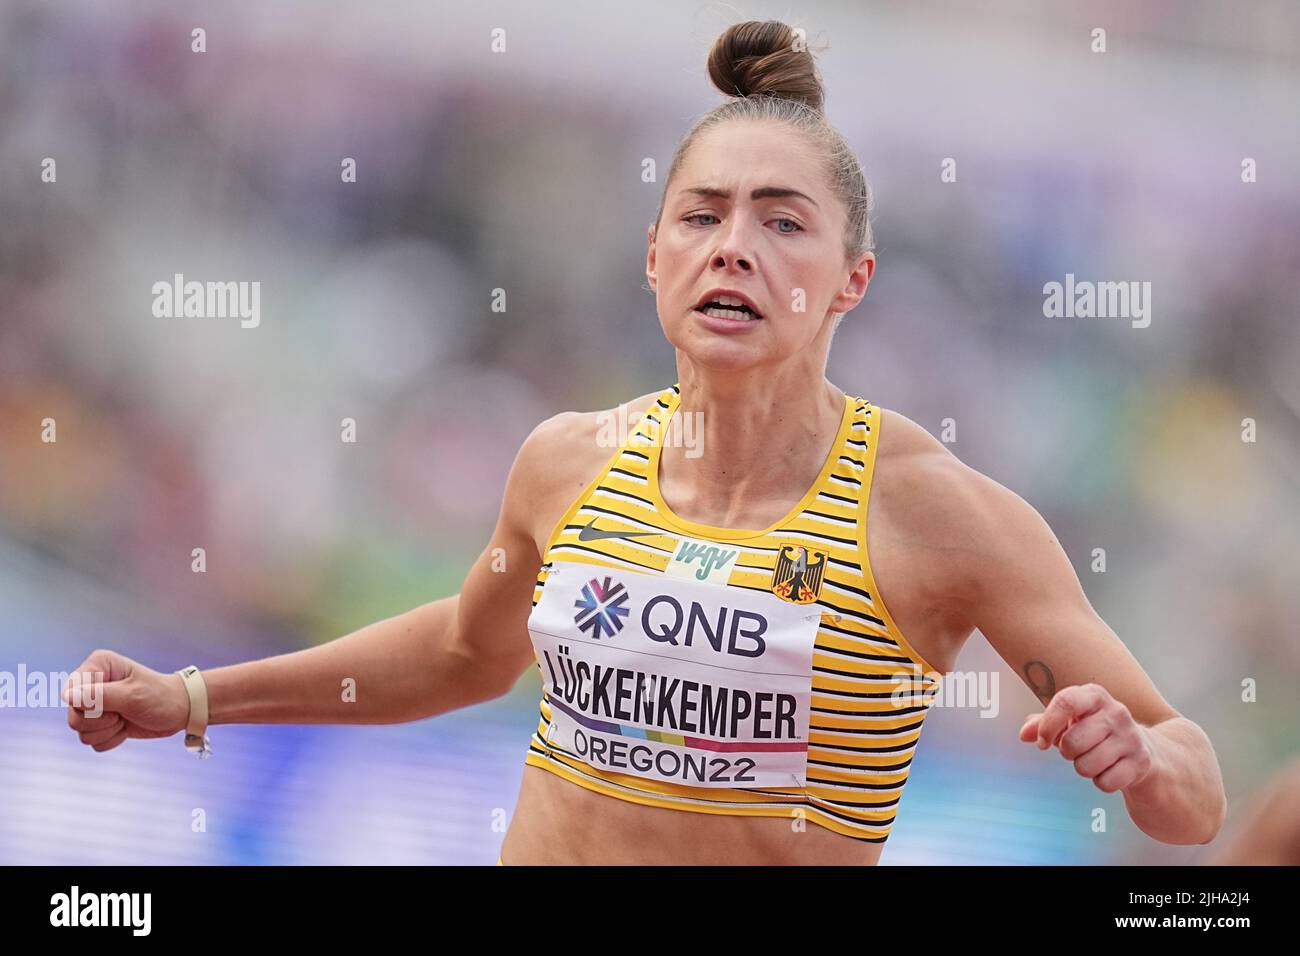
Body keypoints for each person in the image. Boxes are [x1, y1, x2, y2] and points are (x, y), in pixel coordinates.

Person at [62, 20, 1226, 866]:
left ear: (849, 281)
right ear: (654, 257)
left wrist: (1141, 758)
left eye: (783, 222)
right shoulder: (568, 459)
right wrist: (193, 694)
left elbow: (1197, 797)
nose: (734, 248)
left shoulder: (935, 512)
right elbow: (463, 653)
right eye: (701, 216)